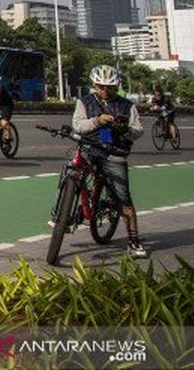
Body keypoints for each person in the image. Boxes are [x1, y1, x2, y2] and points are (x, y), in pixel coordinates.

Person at [73, 64, 148, 258]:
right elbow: (78, 125)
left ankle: (133, 240)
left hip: (114, 153)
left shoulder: (127, 105)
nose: (105, 91)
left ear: (116, 86)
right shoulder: (84, 102)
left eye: (110, 87)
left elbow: (138, 130)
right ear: (94, 85)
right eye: (101, 86)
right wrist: (97, 121)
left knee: (123, 199)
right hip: (89, 148)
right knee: (70, 170)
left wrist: (125, 129)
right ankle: (60, 216)